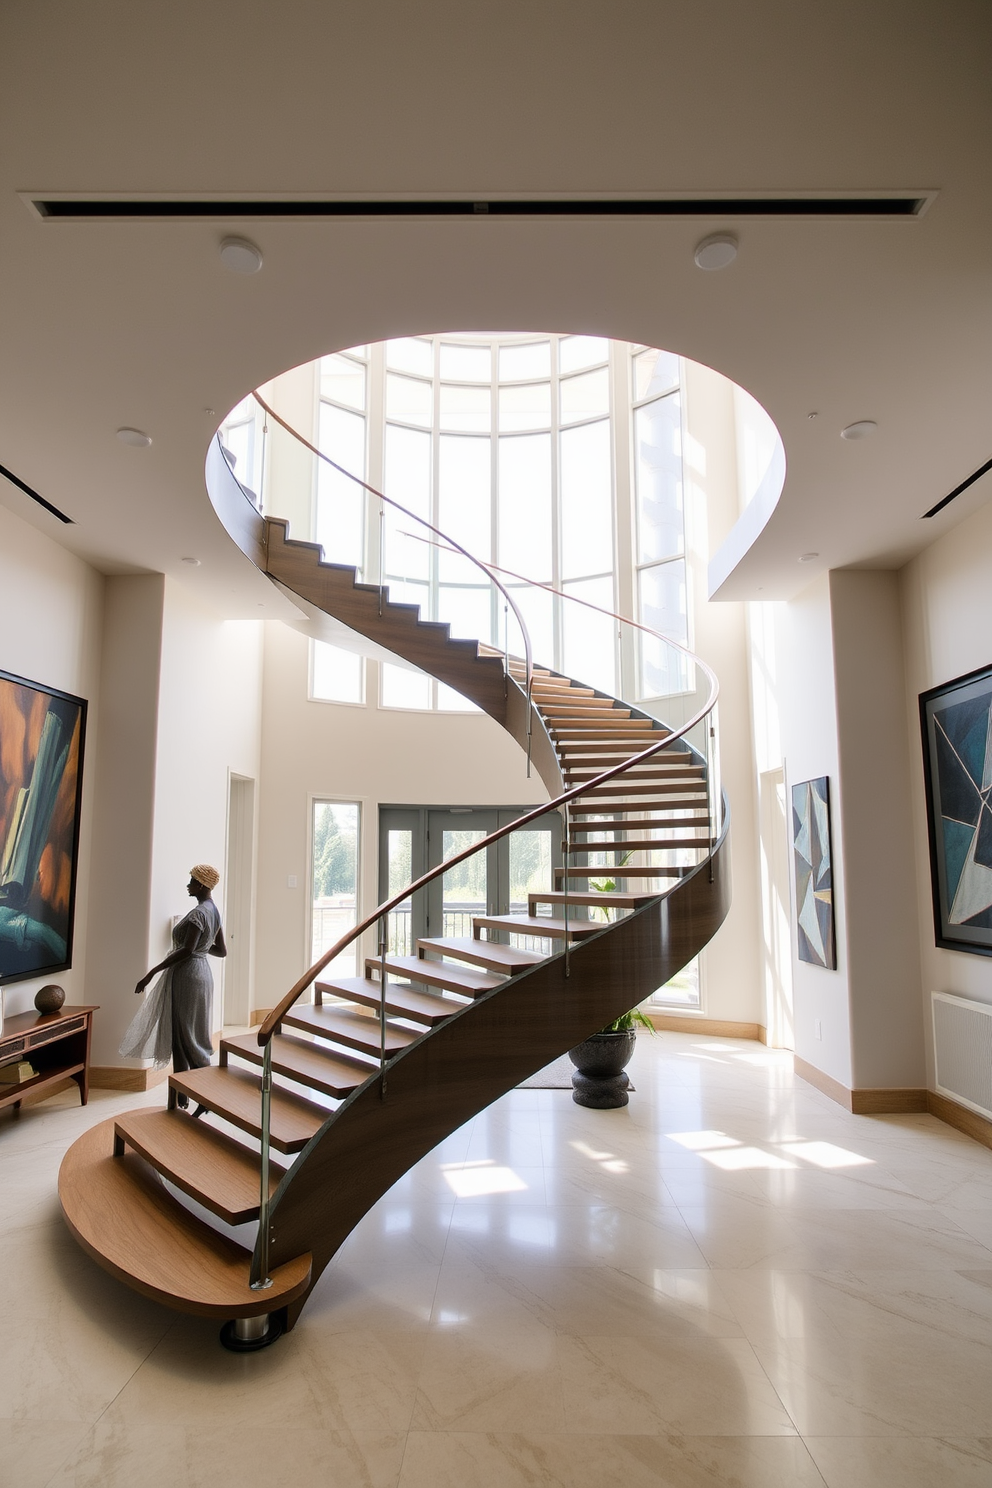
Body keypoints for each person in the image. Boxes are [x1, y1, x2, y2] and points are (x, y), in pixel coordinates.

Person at [120, 864, 226, 1112]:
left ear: (201, 884)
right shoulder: (214, 912)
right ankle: (181, 1097)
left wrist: (151, 973)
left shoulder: (200, 912)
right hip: (201, 975)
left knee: (187, 1037)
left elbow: (187, 950)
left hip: (189, 976)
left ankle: (202, 1097)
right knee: (183, 1036)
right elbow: (221, 950)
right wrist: (202, 946)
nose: (188, 885)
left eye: (191, 881)